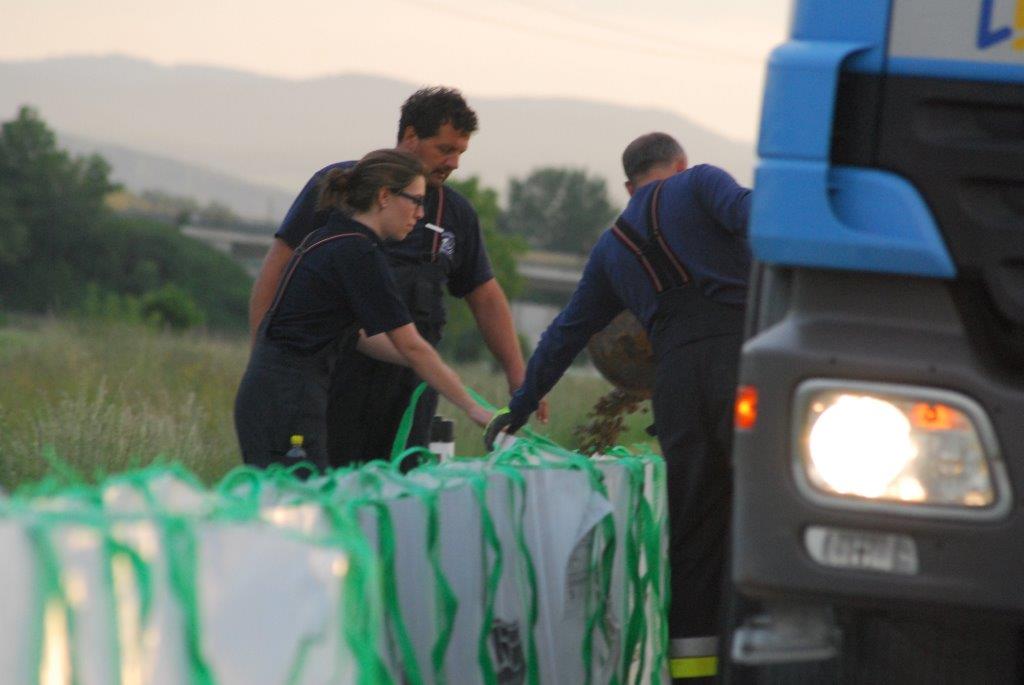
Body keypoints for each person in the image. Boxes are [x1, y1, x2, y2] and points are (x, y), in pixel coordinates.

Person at [485, 132, 751, 682]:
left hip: (677, 386)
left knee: (695, 537)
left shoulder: (612, 249)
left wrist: (519, 406)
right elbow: (761, 221)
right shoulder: (702, 182)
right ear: (680, 163)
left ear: (629, 187)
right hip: (743, 367)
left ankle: (695, 674)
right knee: (762, 509)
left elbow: (565, 333)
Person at [248, 87, 545, 466]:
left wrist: (518, 376)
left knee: (401, 486)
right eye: (444, 149)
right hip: (329, 381)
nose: (454, 163)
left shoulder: (456, 214)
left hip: (409, 389)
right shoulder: (340, 196)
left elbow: (484, 297)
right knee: (320, 485)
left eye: (461, 152)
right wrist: (262, 360)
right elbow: (278, 268)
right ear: (410, 136)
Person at [235, 149, 492, 470]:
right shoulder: (358, 253)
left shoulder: (334, 237)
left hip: (273, 394)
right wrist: (473, 408)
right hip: (288, 399)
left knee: (302, 496)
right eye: (415, 200)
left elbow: (360, 337)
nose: (421, 213)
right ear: (384, 197)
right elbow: (410, 344)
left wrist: (427, 366)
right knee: (302, 500)